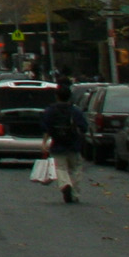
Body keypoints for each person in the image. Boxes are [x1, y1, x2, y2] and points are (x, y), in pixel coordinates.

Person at [44, 76, 86, 204]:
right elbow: (84, 127)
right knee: (75, 169)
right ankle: (75, 193)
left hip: (57, 144)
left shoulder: (50, 111)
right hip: (73, 144)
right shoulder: (75, 111)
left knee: (60, 168)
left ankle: (65, 184)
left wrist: (44, 143)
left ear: (57, 96)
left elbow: (46, 128)